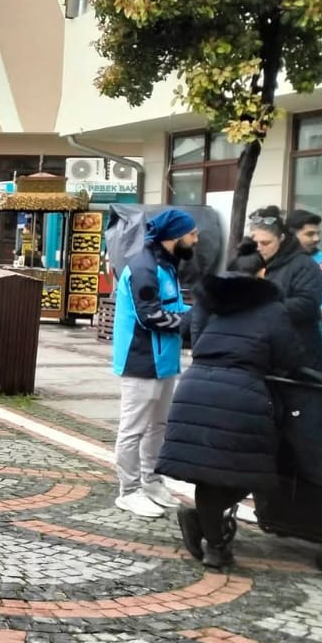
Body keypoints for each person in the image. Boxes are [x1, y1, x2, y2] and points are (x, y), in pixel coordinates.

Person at [157, 266, 307, 568]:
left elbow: (188, 333)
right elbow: (290, 358)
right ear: (259, 278)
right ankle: (207, 531)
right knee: (254, 471)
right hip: (242, 394)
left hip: (195, 388)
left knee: (207, 472)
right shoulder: (272, 310)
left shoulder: (208, 301)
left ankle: (213, 543)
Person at [112, 208, 199, 518]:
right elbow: (150, 316)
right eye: (192, 234)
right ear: (174, 236)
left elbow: (173, 307)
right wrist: (192, 321)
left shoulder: (167, 265)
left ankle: (151, 481)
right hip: (140, 359)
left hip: (164, 359)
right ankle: (128, 490)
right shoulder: (144, 267)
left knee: (158, 427)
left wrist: (196, 312)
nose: (196, 239)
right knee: (133, 429)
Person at [247, 206, 322, 371]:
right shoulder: (250, 263)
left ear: (281, 238)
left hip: (298, 356)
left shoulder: (304, 265)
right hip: (260, 353)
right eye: (255, 243)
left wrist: (261, 306)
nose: (259, 247)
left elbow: (307, 305)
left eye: (266, 243)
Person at [288, 209, 322, 372]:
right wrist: (319, 314)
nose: (316, 238)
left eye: (318, 233)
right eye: (310, 234)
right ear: (292, 235)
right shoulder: (284, 263)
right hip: (296, 345)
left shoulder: (321, 257)